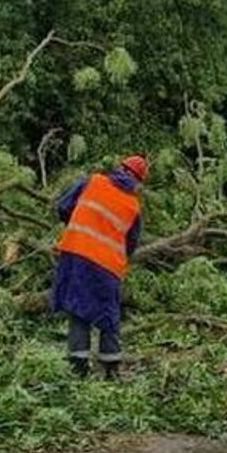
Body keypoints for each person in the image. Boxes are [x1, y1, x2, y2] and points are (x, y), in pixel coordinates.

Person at [51, 155, 147, 379]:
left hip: (76, 252)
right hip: (107, 265)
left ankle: (78, 366)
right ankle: (111, 368)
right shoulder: (133, 207)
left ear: (119, 169)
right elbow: (130, 245)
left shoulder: (93, 182)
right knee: (108, 312)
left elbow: (64, 206)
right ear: (139, 182)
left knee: (77, 306)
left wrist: (77, 224)